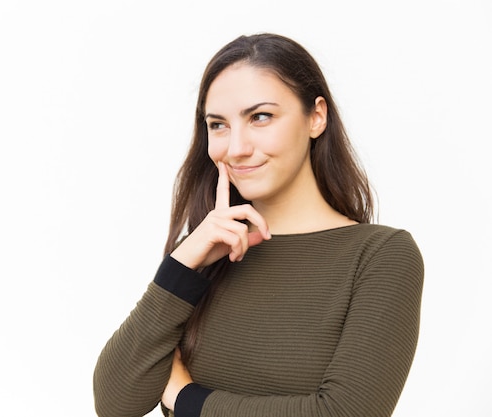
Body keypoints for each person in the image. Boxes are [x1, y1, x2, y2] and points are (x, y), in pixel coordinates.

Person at [93, 33, 424, 417]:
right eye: (218, 125)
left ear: (316, 117)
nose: (235, 148)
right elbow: (115, 405)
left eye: (260, 117)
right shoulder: (205, 254)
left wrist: (187, 399)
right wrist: (182, 264)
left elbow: (345, 412)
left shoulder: (380, 256)